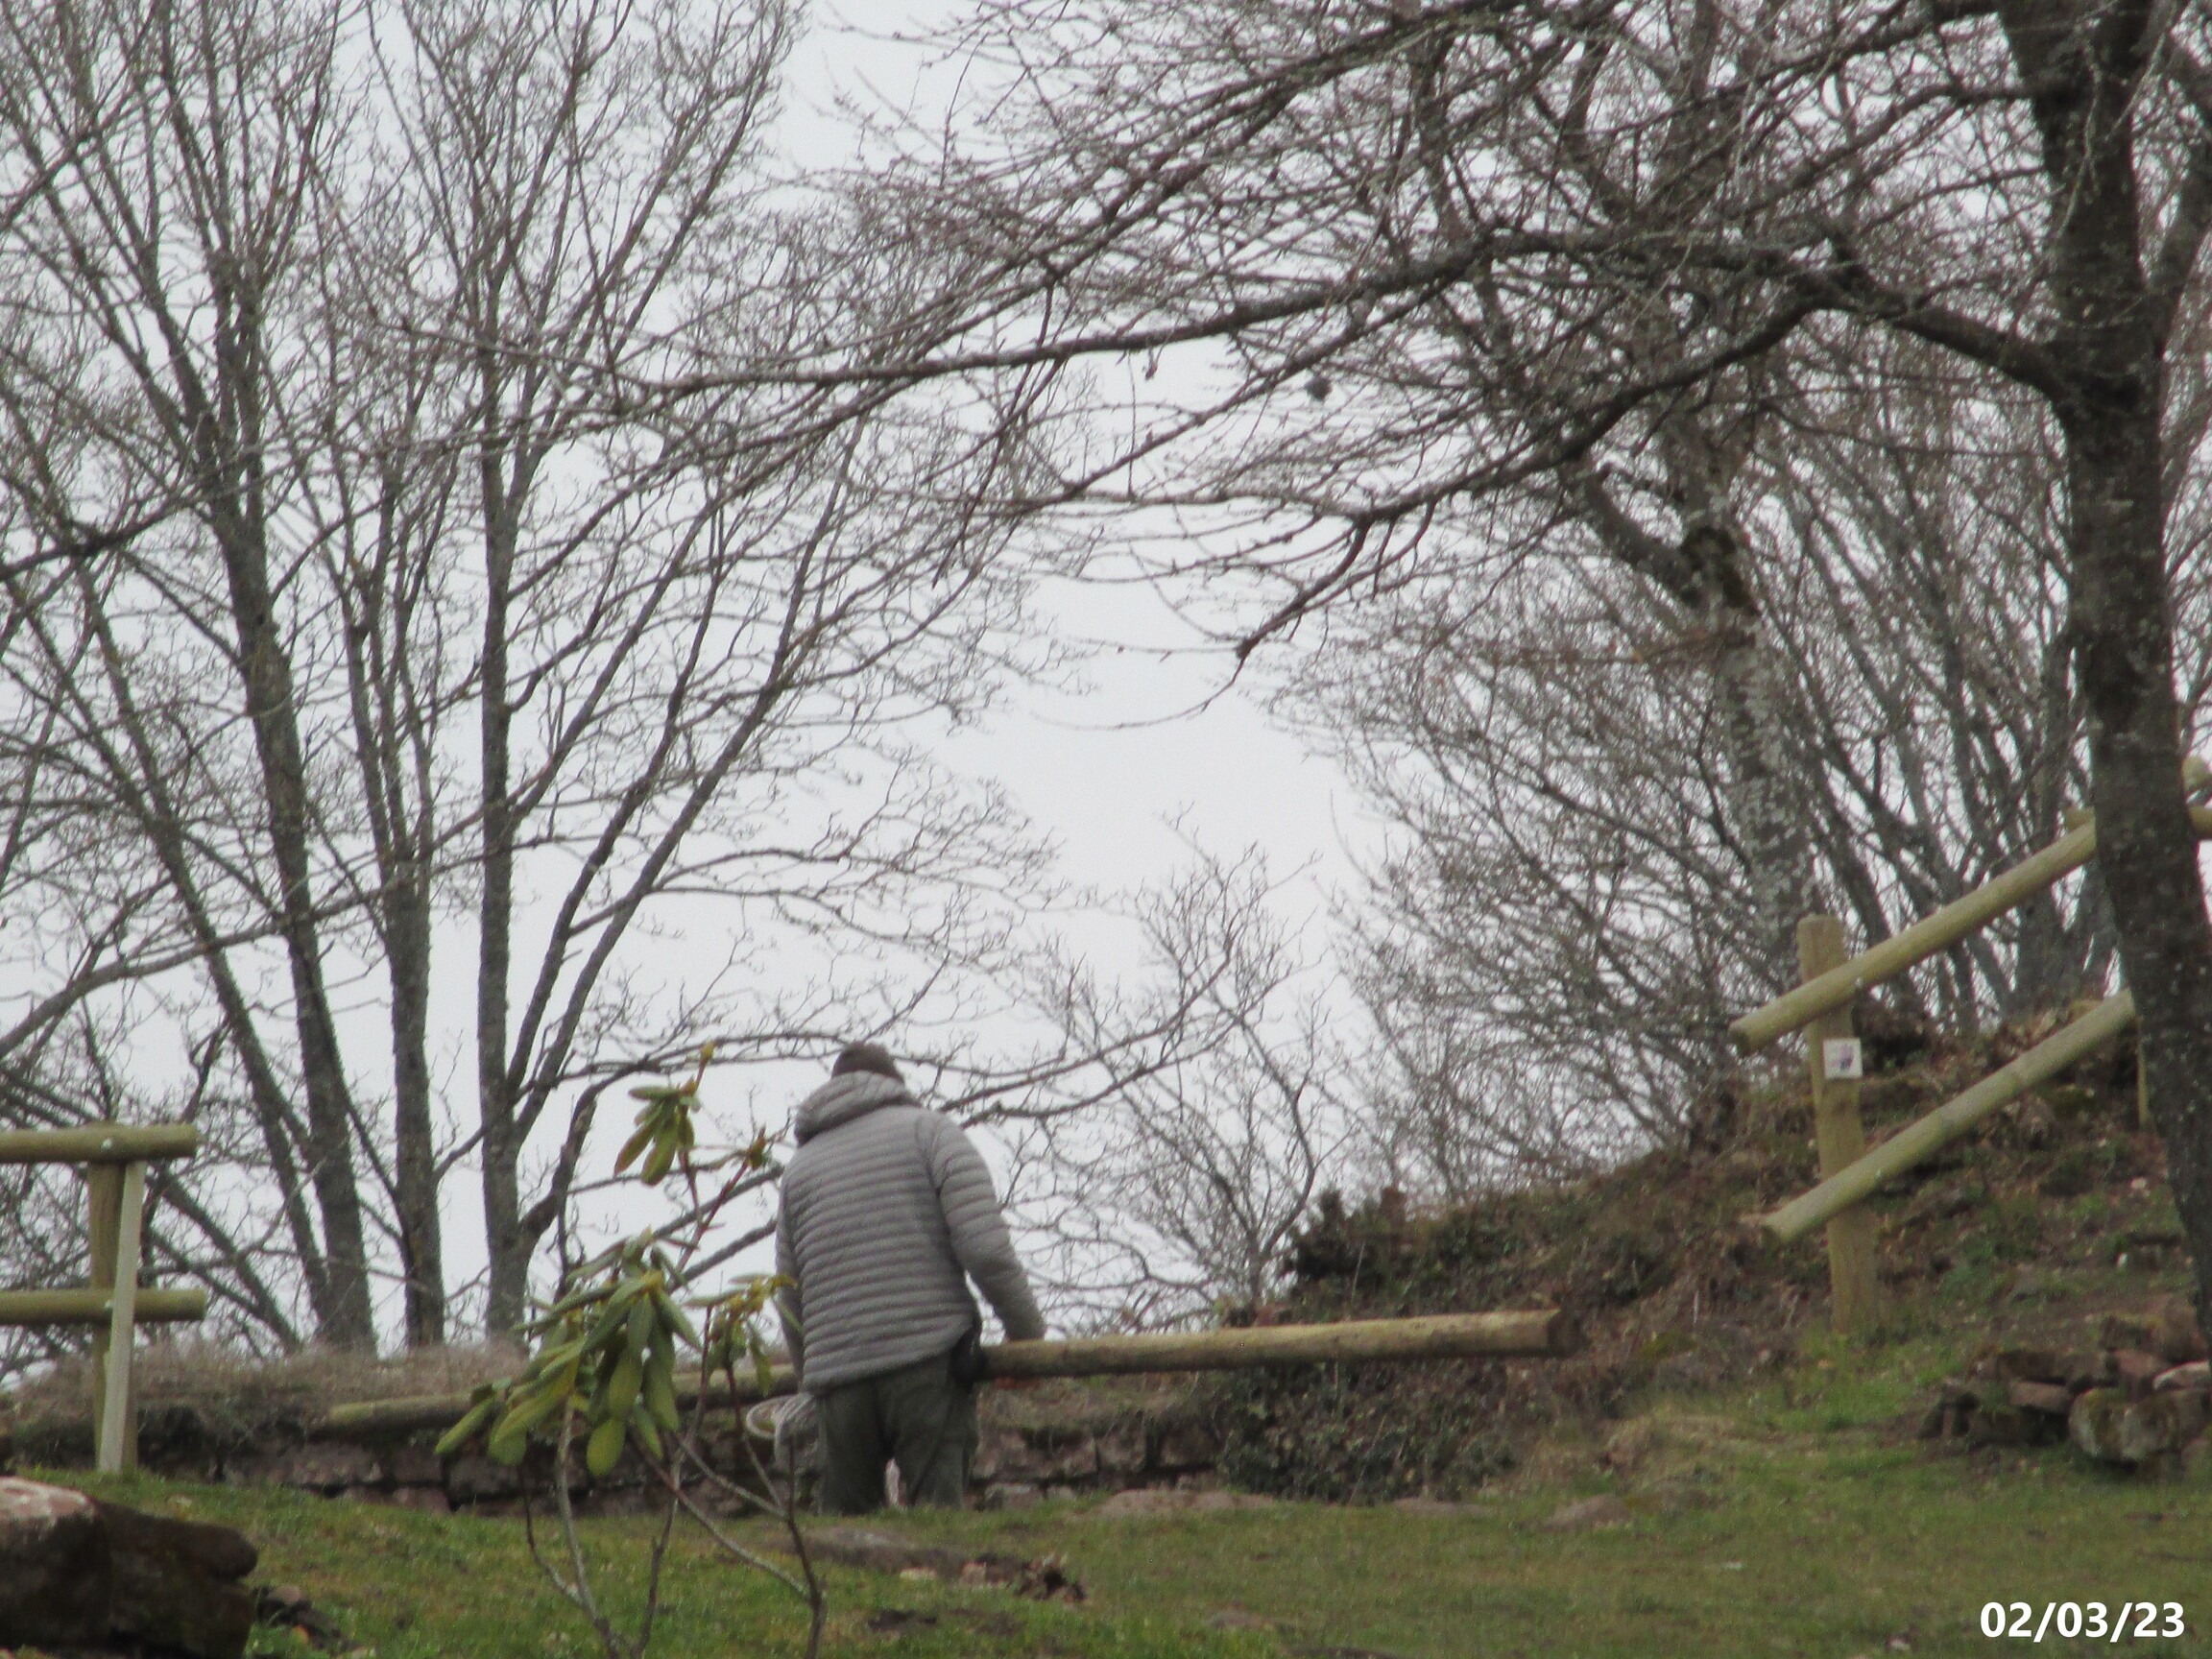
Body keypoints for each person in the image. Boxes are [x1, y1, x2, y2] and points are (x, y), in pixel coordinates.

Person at [773, 1041, 1045, 1513]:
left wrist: (811, 1382)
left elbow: (789, 1296)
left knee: (848, 1537)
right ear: (894, 1084)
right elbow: (986, 1249)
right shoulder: (930, 1132)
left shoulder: (798, 1172)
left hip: (839, 1378)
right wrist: (1027, 1336)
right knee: (938, 1521)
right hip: (928, 1361)